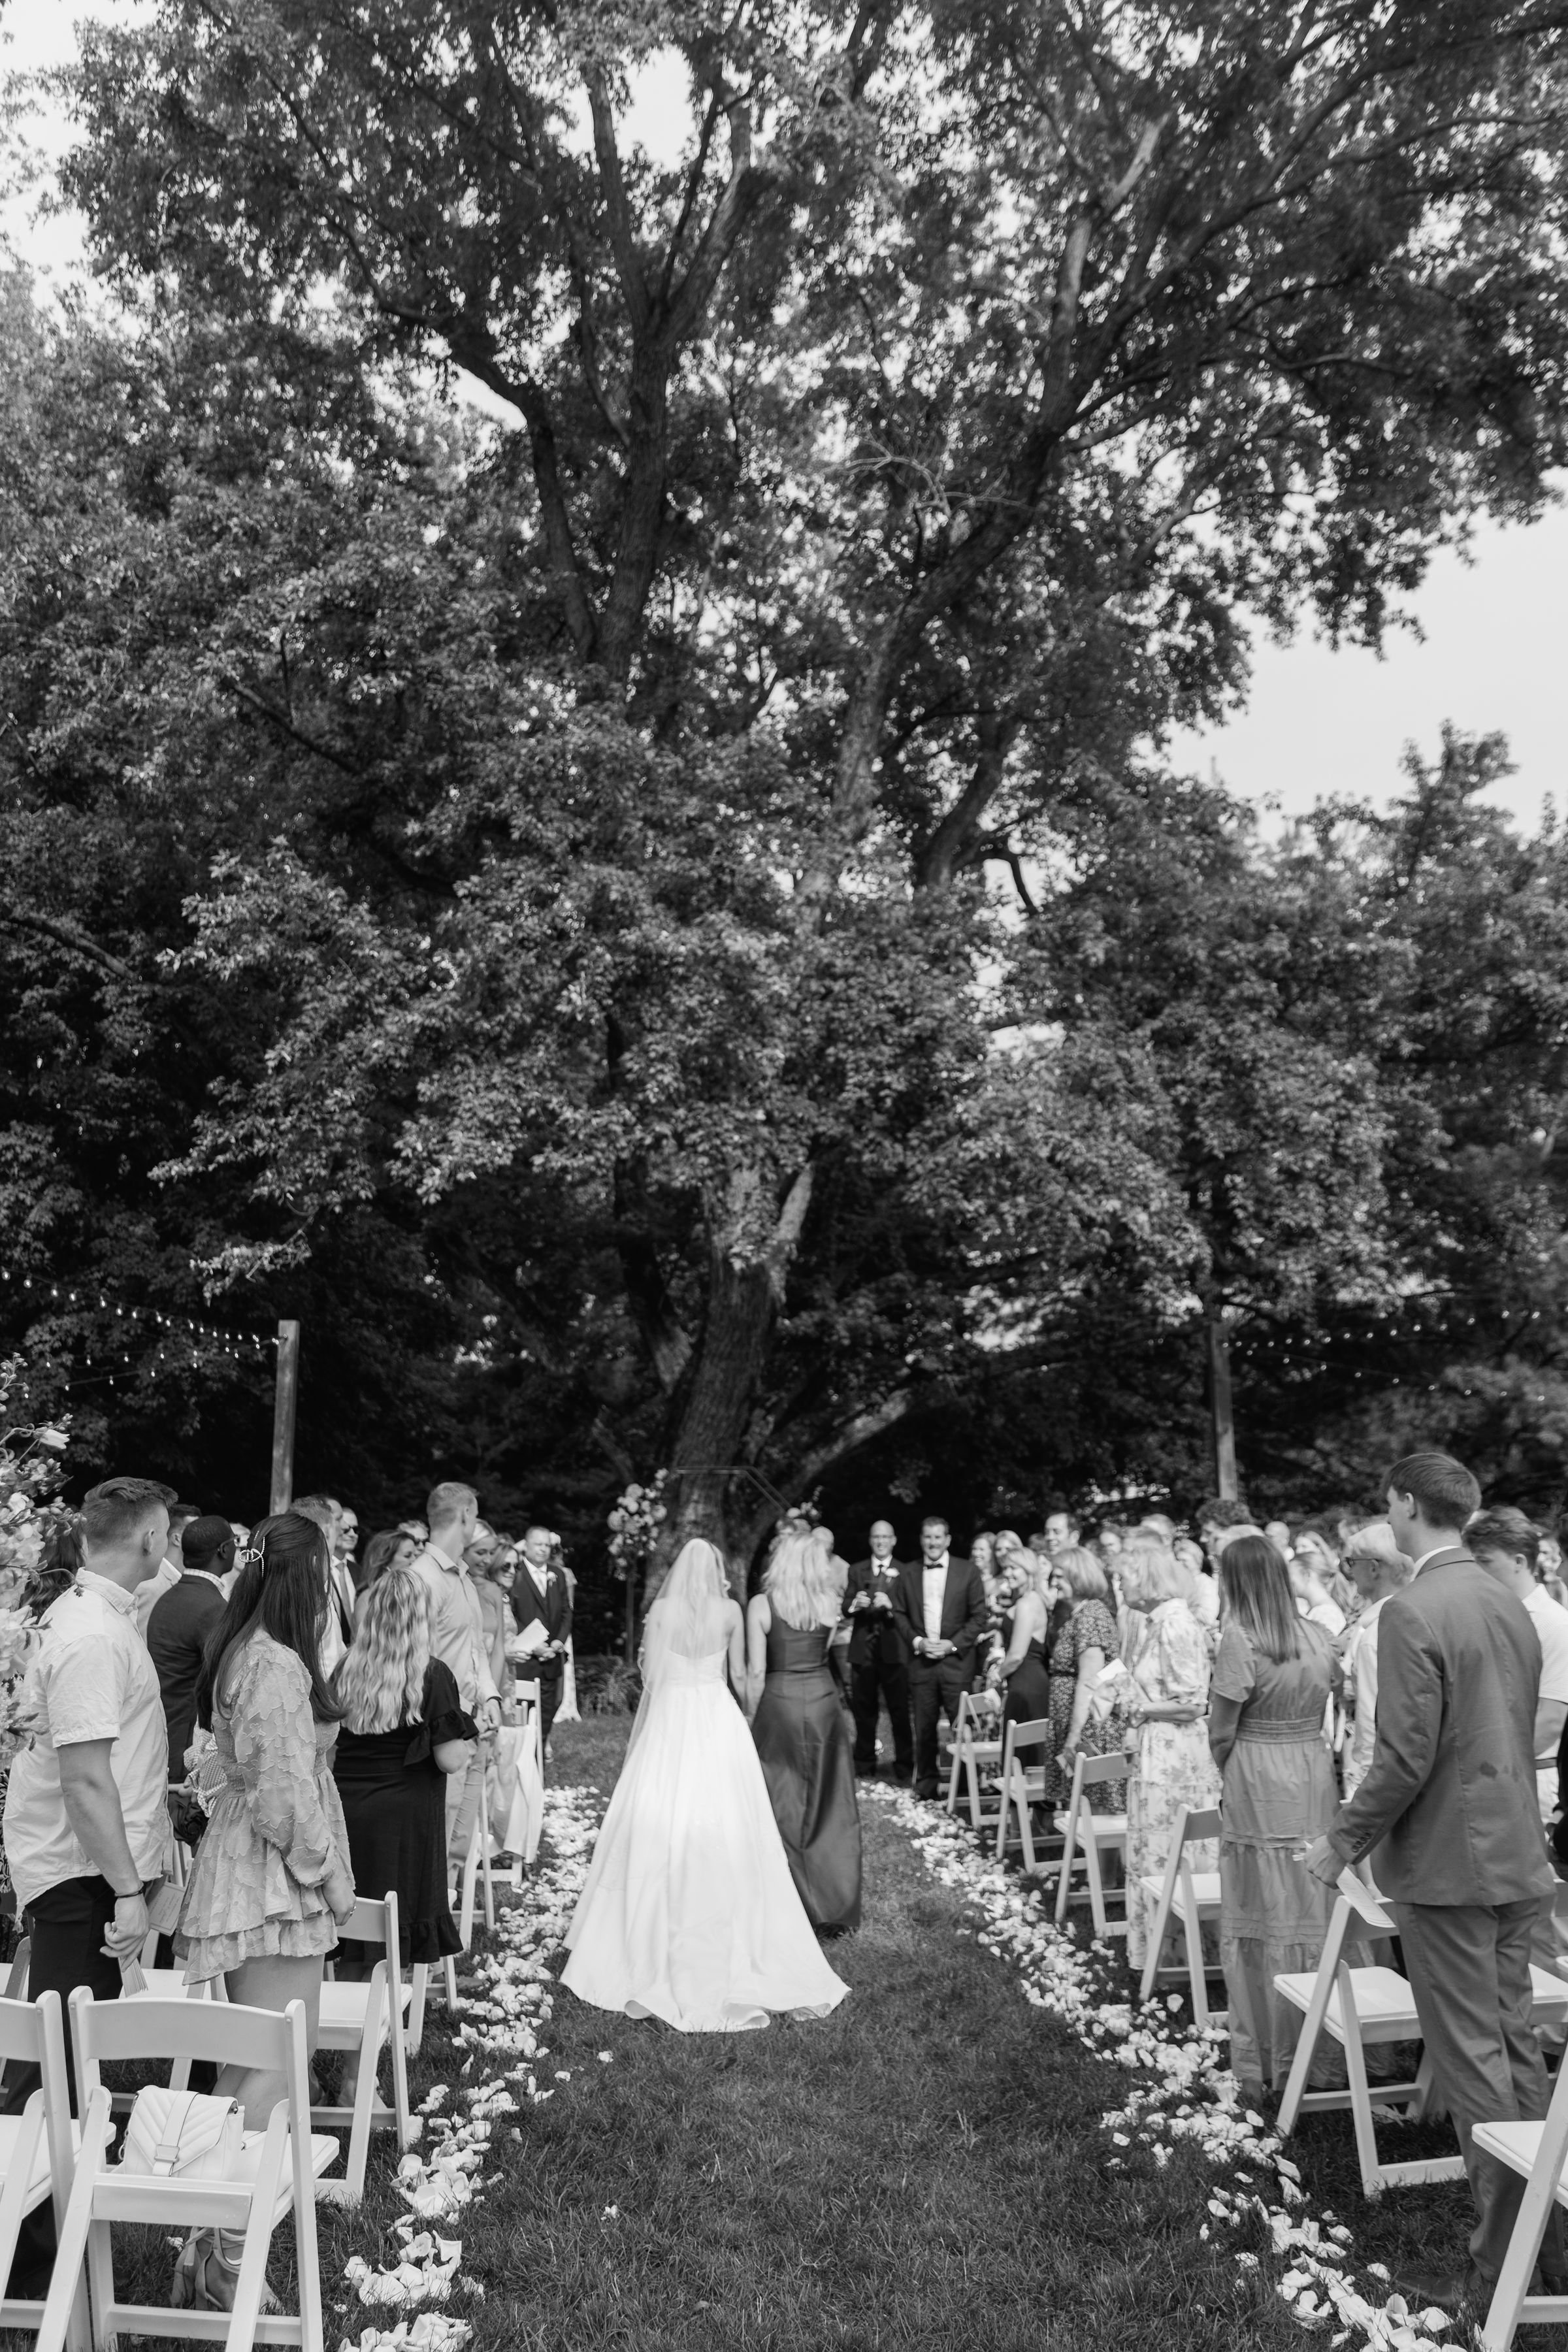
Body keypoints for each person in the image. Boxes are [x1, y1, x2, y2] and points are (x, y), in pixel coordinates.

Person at [1301, 1451, 1563, 2310]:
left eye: (1389, 1501)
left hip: (1452, 1868)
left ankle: (1496, 2275)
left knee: (1476, 2065)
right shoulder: (1515, 1602)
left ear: (1409, 1506)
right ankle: (1543, 2252)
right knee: (1516, 2051)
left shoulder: (1415, 1608)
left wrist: (1340, 1841)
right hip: (1520, 1855)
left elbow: (1406, 1756)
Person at [174, 1509, 355, 2308]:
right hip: (274, 1878)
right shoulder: (276, 1665)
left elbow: (230, 1763)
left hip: (244, 1864)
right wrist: (331, 1876)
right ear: (307, 1585)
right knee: (272, 2068)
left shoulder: (240, 1648)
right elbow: (284, 1798)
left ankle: (205, 2242)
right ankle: (222, 2250)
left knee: (254, 2062)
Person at [563, 1539, 849, 2030]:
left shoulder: (662, 1610)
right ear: (716, 1570)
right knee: (728, 1814)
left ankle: (641, 1930)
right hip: (716, 1715)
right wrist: (748, 1712)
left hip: (672, 1715)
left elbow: (648, 1673)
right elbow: (738, 1673)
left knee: (662, 1810)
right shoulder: (731, 1610)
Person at [3, 1478, 174, 2121]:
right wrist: (128, 1891)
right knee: (54, 2061)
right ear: (152, 1537)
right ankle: (37, 2211)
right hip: (84, 1870)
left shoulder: (89, 1609)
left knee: (68, 2049)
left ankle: (59, 2199)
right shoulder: (92, 1635)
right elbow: (84, 1778)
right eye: (165, 1534)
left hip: (91, 1863)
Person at [1208, 1535, 1341, 2102]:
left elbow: (1220, 1731)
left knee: (1263, 1907)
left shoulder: (1240, 1640)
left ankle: (1270, 2053)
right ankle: (1331, 2051)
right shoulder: (1316, 1634)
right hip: (1312, 1771)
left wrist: (1232, 1768)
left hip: (1259, 1777)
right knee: (1314, 1896)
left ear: (1235, 1581)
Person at [331, 1571, 472, 2102]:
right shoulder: (432, 1675)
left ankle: (347, 2065)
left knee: (353, 1944)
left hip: (350, 1816)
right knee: (388, 1947)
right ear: (421, 1619)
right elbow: (450, 1756)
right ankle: (356, 2079)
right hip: (405, 1823)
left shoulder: (345, 1669)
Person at [748, 1529, 862, 1933]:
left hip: (778, 1702)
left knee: (779, 1799)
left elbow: (757, 1672)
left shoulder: (762, 1604)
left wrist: (749, 1717)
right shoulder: (830, 1603)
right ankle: (833, 1902)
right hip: (822, 1702)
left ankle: (786, 1900)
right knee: (830, 1802)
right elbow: (824, 1651)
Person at [1120, 1540, 1220, 1972]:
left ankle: (1185, 1956)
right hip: (1156, 1751)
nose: (1118, 1584)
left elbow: (1194, 1702)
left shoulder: (1177, 1623)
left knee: (1169, 1852)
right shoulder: (1155, 1623)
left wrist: (1140, 1709)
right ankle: (1162, 1953)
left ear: (1144, 1579)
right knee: (1152, 1851)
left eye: (1123, 1576)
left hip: (1175, 1758)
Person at [408, 1483, 501, 1881]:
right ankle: (430, 1918)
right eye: (475, 1515)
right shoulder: (420, 1580)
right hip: (436, 1729)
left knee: (458, 1830)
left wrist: (491, 1695)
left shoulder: (462, 1577)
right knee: (436, 1826)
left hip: (471, 1720)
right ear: (465, 1515)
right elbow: (411, 1662)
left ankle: (446, 1906)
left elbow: (475, 1647)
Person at [1467, 1506, 1568, 1820]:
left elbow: (1551, 1719)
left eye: (1484, 1562)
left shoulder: (1552, 1623)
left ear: (1519, 1563)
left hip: (1530, 1778)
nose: (1475, 1573)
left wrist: (1488, 1774)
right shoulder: (1484, 1616)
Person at [891, 1517, 988, 1799]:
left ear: (947, 1540)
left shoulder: (967, 1571)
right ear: (922, 1540)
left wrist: (952, 1646)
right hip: (922, 1664)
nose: (933, 1543)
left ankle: (964, 1788)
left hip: (957, 1664)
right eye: (928, 1537)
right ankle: (926, 1786)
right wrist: (918, 1642)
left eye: (938, 1537)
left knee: (962, 1729)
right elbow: (898, 1613)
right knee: (924, 1727)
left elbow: (979, 1616)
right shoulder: (908, 1573)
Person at [146, 1513, 236, 1776]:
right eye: (235, 1542)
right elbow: (223, 1684)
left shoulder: (171, 1596)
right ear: (224, 1550)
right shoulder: (211, 1608)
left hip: (163, 1734)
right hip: (187, 1750)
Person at [1338, 1518, 1413, 1801]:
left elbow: (1371, 1717)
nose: (1348, 1570)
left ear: (1373, 1567)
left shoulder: (1377, 1632)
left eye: (1351, 1561)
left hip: (1382, 1774)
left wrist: (1365, 1780)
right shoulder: (1413, 1615)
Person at [1044, 1545, 1120, 1803]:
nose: (1053, 1582)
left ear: (1077, 1577)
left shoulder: (1090, 1616)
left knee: (1093, 1805)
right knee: (1079, 1802)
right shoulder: (1079, 1614)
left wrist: (1074, 1737)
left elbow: (1090, 1681)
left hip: (1089, 1727)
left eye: (1059, 1576)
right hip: (1073, 1720)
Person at [843, 1520, 912, 1782]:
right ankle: (864, 1764)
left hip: (894, 1650)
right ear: (871, 1540)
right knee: (864, 1710)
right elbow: (844, 1604)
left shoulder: (906, 1571)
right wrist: (854, 1604)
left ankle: (905, 1766)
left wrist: (892, 1605)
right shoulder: (857, 1569)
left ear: (894, 1540)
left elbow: (910, 1609)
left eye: (886, 1537)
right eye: (876, 1537)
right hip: (863, 1651)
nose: (881, 1541)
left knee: (899, 1711)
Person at [509, 1522, 573, 1757]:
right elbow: (511, 1615)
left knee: (548, 1709)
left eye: (547, 1545)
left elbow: (566, 1611)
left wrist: (559, 1641)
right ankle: (520, 1758)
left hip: (552, 1657)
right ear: (526, 1546)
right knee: (523, 1713)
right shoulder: (514, 1573)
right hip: (526, 1657)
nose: (543, 1549)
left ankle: (539, 1757)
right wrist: (534, 1645)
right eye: (538, 1544)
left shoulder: (558, 1574)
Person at [295, 1493, 356, 1667]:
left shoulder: (316, 1580)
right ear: (325, 1530)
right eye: (338, 1520)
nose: (344, 1527)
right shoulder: (307, 1586)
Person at [131, 1494, 199, 1638]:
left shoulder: (182, 1579)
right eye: (196, 1531)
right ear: (176, 1538)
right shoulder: (151, 1584)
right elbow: (145, 1641)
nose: (203, 1536)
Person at [358, 1527, 419, 1599]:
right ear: (385, 1560)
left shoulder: (417, 1593)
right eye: (407, 1556)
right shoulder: (369, 1597)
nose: (414, 1560)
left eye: (415, 1555)